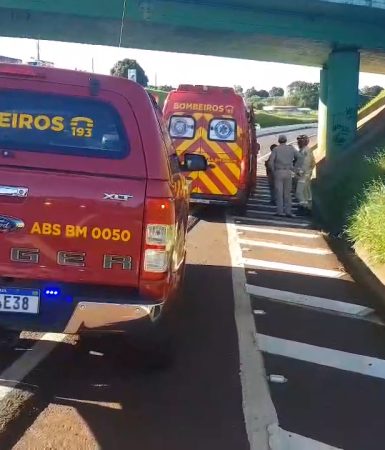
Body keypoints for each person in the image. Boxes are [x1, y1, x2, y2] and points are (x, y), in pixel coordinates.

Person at [268, 134, 298, 218]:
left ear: (278, 141)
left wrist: (273, 171)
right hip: (288, 171)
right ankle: (288, 211)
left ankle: (280, 211)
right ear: (286, 140)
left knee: (279, 193)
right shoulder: (291, 148)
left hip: (278, 171)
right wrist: (294, 167)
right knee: (287, 193)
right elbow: (299, 157)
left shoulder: (276, 149)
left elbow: (271, 162)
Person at [295, 134, 315, 215]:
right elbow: (312, 163)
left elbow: (305, 164)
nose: (298, 143)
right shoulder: (306, 150)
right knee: (306, 192)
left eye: (300, 141)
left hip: (303, 175)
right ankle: (307, 208)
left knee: (300, 192)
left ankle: (303, 208)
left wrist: (299, 172)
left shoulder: (304, 151)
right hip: (306, 174)